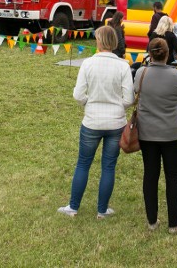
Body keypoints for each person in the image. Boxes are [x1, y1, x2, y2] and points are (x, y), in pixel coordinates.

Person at [58, 26, 134, 219]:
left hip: (92, 120)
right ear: (115, 42)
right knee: (108, 166)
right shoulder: (123, 65)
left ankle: (73, 207)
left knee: (83, 163)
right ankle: (102, 210)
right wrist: (118, 107)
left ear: (99, 42)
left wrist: (88, 104)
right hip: (116, 122)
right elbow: (129, 98)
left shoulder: (88, 63)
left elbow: (77, 94)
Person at [136, 38, 177, 233]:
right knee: (173, 177)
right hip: (172, 133)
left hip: (147, 133)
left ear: (150, 54)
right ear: (167, 54)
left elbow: (136, 91)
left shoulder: (141, 73)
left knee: (150, 175)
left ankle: (152, 221)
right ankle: (174, 224)